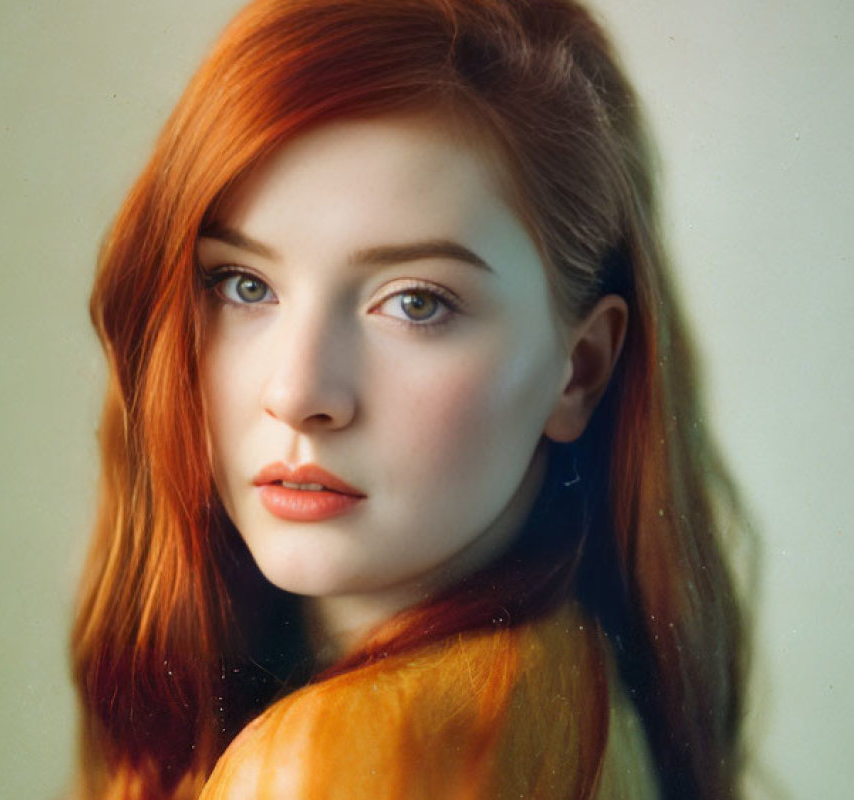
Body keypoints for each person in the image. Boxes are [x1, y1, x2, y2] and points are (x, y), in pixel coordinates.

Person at [70, 1, 750, 798]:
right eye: (243, 284)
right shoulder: (584, 692)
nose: (298, 395)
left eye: (416, 302)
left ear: (580, 370)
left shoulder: (318, 769)